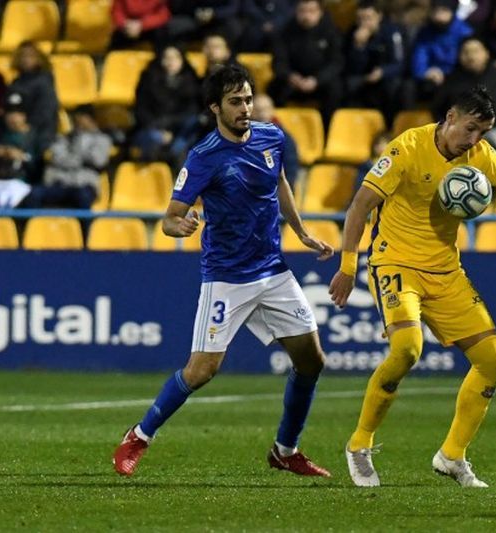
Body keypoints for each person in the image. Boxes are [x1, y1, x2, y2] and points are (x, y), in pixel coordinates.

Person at [328, 86, 496, 488]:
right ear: (450, 117)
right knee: (407, 350)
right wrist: (347, 267)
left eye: (482, 133)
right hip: (395, 262)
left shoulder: (479, 157)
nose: (475, 140)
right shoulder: (407, 147)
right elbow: (360, 204)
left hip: (446, 271)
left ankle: (452, 456)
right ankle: (359, 445)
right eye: (470, 129)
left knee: (493, 360)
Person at [113, 64, 334, 479]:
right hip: (227, 277)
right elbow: (169, 218)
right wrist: (181, 226)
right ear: (216, 107)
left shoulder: (272, 136)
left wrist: (301, 232)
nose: (245, 108)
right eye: (235, 102)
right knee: (201, 371)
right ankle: (139, 436)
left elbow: (280, 182)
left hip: (272, 270)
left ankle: (285, 450)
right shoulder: (203, 157)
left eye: (248, 99)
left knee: (312, 361)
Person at [432, 37, 496, 159]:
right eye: (466, 52)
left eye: (475, 51)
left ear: (486, 53)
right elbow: (437, 110)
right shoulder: (451, 81)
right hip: (461, 135)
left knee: (487, 146)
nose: (471, 56)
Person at [268, 0, 344, 128]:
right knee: (273, 88)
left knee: (336, 90)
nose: (306, 16)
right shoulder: (285, 32)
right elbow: (278, 62)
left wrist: (317, 80)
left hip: (320, 82)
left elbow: (336, 63)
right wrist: (290, 76)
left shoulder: (332, 31)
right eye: (302, 11)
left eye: (311, 11)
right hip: (293, 81)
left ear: (320, 13)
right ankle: (277, 131)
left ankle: (326, 132)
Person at [25, 105, 111, 209]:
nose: (77, 122)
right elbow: (55, 157)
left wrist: (80, 143)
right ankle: (31, 224)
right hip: (60, 183)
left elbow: (98, 160)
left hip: (83, 184)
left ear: (91, 119)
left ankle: (86, 225)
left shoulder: (102, 139)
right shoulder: (63, 138)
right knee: (35, 193)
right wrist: (80, 160)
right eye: (75, 119)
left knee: (82, 196)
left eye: (81, 118)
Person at [132, 45, 201, 165]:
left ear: (182, 60)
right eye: (167, 58)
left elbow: (192, 112)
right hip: (152, 130)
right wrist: (160, 130)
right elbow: (141, 111)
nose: (171, 62)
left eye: (175, 58)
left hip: (180, 133)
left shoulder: (192, 81)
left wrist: (171, 131)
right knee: (153, 138)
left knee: (185, 143)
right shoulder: (148, 80)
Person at [343, 0, 407, 125]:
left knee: (393, 88)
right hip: (363, 78)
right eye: (360, 19)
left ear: (379, 16)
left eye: (368, 18)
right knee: (346, 86)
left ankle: (390, 127)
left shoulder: (392, 32)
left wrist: (383, 72)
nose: (364, 23)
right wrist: (359, 46)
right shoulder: (352, 33)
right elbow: (351, 67)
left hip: (385, 78)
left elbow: (400, 63)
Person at [410, 0, 473, 103]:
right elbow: (419, 56)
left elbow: (466, 60)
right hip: (432, 76)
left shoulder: (465, 32)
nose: (438, 15)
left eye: (444, 10)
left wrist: (447, 73)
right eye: (435, 10)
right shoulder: (425, 32)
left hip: (457, 75)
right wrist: (425, 72)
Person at [7, 41, 58, 148]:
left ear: (39, 58)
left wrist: (26, 126)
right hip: (12, 131)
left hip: (37, 134)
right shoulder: (16, 82)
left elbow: (46, 112)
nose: (25, 60)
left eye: (30, 56)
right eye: (22, 56)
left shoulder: (44, 81)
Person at [251, 93, 299, 188]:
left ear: (272, 111)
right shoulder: (242, 136)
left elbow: (290, 173)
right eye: (257, 110)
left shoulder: (284, 138)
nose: (262, 114)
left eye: (265, 109)